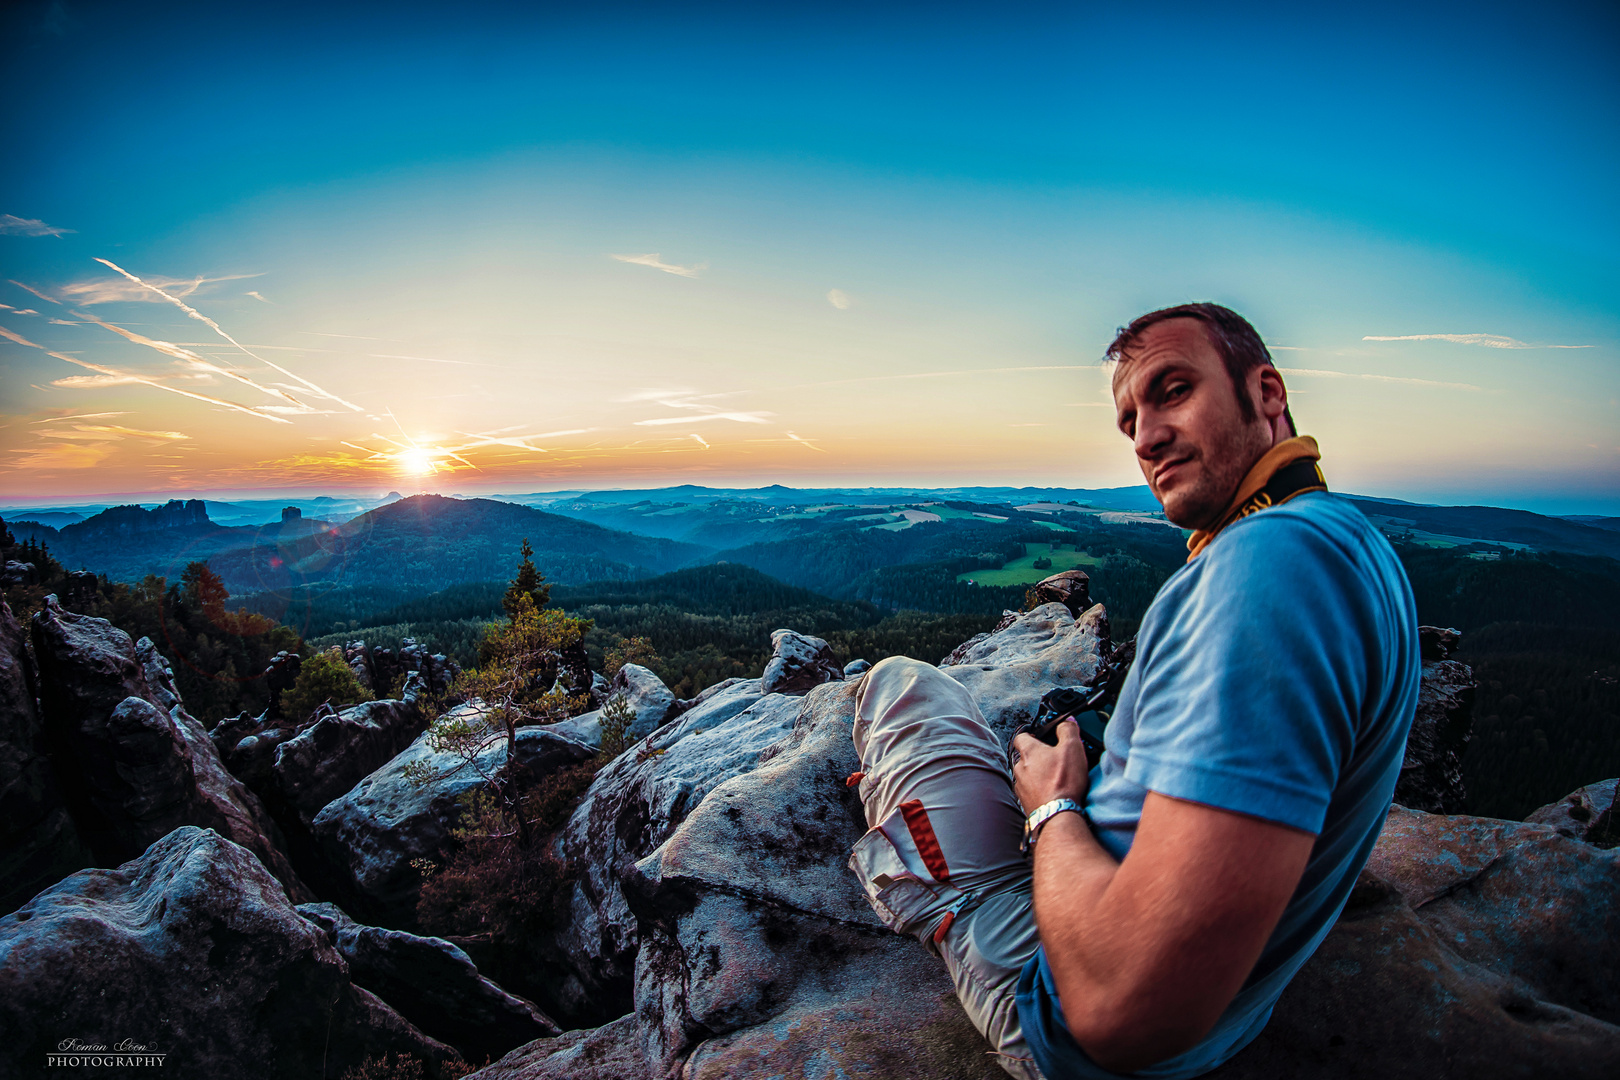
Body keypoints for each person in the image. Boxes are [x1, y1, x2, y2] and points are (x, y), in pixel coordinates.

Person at [847, 303, 1420, 1079]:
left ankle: (942, 895)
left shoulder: (1265, 567)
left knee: (899, 687)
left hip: (1056, 1007)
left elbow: (1121, 1009)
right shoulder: (1352, 541)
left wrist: (1052, 809)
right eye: (1130, 421)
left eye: (1174, 390)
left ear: (1267, 392)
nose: (1147, 438)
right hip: (1226, 1002)